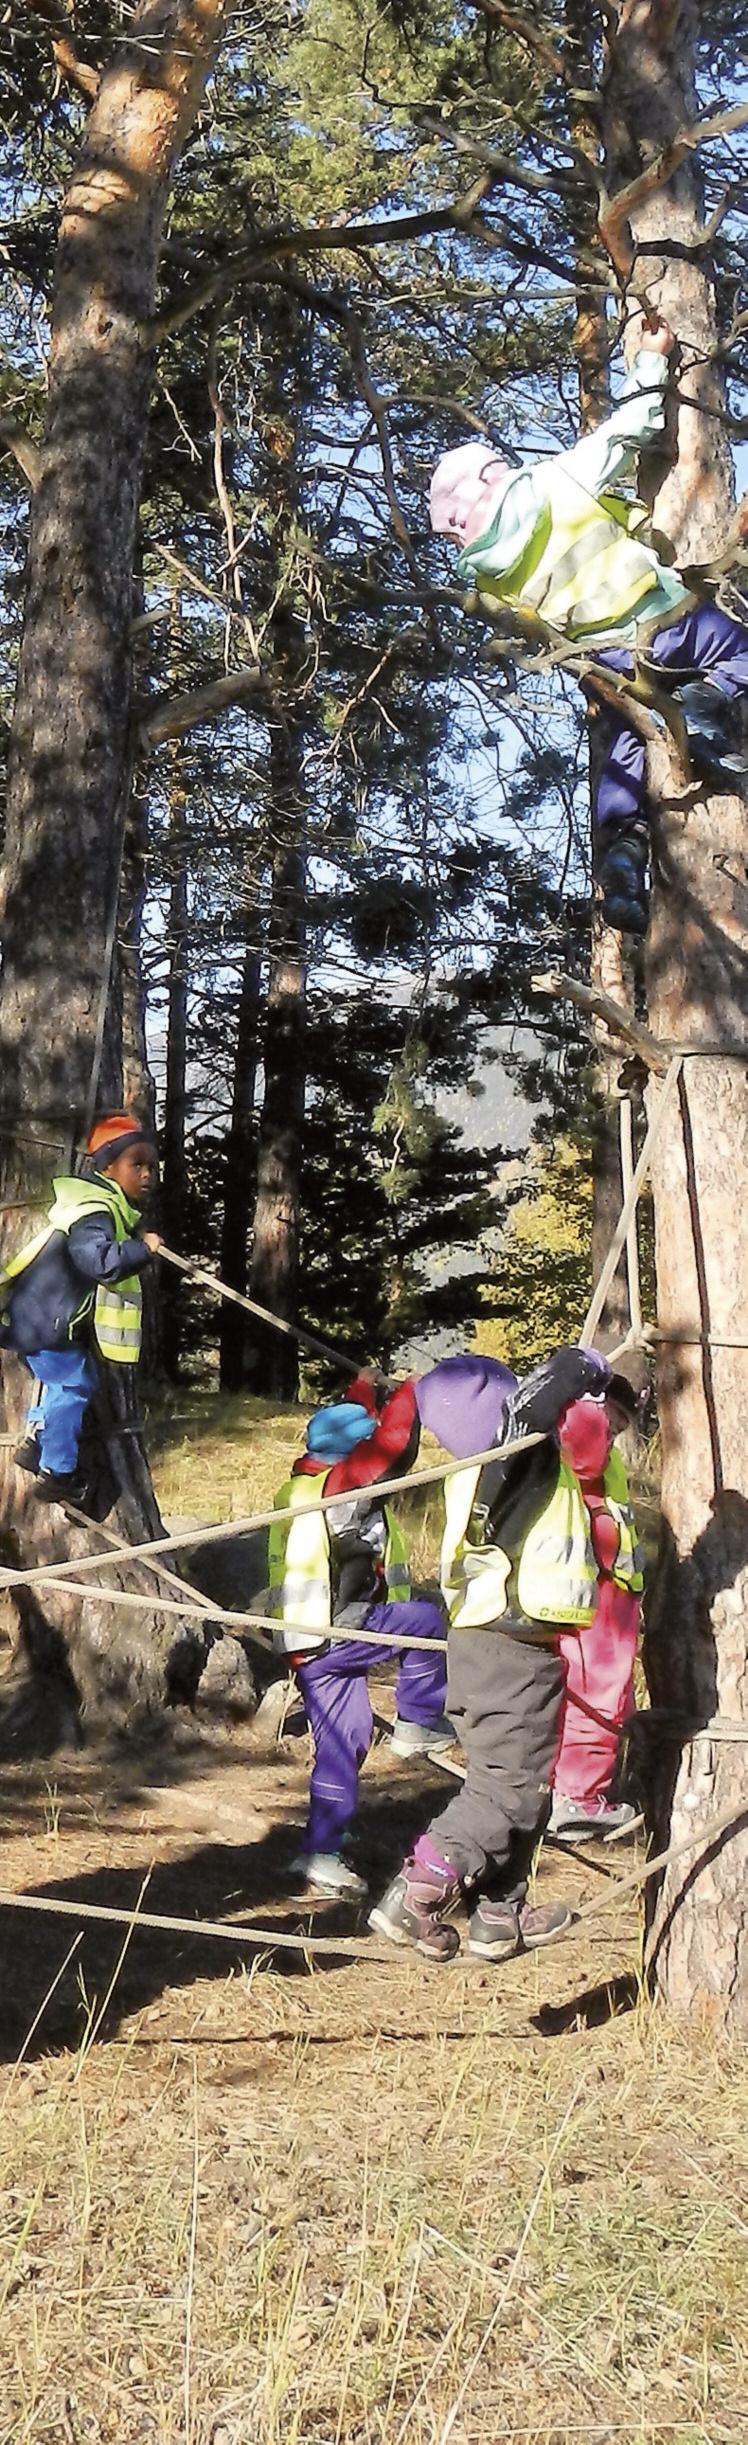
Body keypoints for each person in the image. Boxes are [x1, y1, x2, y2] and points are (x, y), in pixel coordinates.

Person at [429, 312, 748, 936]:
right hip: (663, 617)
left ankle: (622, 861)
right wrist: (652, 359)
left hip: (609, 660)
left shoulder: (486, 576)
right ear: (497, 475)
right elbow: (632, 426)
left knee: (628, 752)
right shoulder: (553, 482)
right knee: (738, 651)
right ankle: (711, 708)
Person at [370, 1343, 612, 1964]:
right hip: (509, 1649)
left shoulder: (475, 1471)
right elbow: (532, 1404)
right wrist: (583, 1365)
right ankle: (418, 1891)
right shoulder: (515, 1455)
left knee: (523, 1782)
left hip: (499, 1648)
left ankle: (500, 1912)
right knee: (506, 1789)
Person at [268, 1373, 454, 1900]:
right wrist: (414, 1393)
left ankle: (321, 1851)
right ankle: (418, 1723)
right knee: (425, 1625)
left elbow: (358, 1430)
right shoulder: (343, 1487)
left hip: (304, 1646)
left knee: (344, 1743)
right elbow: (391, 1446)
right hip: (335, 1629)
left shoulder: (304, 1483)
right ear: (353, 1454)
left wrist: (367, 1387)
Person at [0, 1113, 160, 1508]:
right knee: (74, 1387)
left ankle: (39, 1439)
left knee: (68, 1384)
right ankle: (58, 1471)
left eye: (152, 1166)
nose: (148, 1175)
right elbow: (99, 1262)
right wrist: (144, 1249)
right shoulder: (92, 1208)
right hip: (45, 1322)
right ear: (108, 1167)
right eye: (136, 1165)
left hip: (43, 1320)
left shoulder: (102, 1206)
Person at [548, 1374, 644, 1842]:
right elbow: (583, 1437)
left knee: (603, 1696)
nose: (614, 1433)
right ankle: (577, 1798)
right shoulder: (580, 1439)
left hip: (612, 1589)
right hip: (595, 1593)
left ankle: (573, 1790)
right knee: (597, 1695)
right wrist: (587, 1385)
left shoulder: (605, 1458)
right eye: (613, 1422)